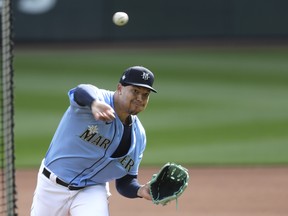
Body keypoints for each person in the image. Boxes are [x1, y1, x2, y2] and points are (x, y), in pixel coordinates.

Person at [31, 66, 157, 216]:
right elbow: (80, 91)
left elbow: (126, 182)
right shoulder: (98, 99)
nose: (140, 99)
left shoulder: (138, 136)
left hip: (91, 189)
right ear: (120, 88)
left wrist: (140, 190)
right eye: (135, 91)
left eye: (145, 94)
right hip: (51, 186)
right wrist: (93, 103)